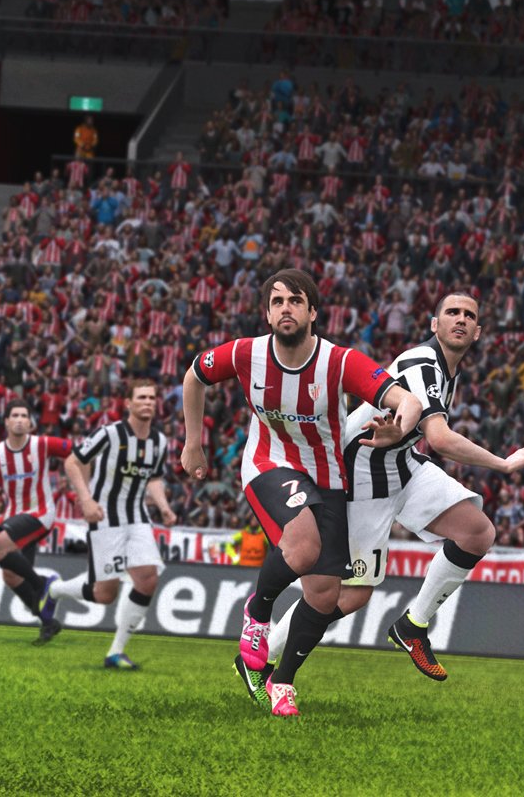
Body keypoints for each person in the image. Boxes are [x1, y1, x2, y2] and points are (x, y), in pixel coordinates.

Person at [261, 292, 524, 682]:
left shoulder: (446, 368)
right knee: (348, 594)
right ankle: (261, 658)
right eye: (452, 312)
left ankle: (413, 626)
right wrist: (503, 463)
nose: (460, 319)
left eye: (469, 315)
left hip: (401, 463)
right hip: (361, 473)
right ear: (435, 324)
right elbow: (440, 438)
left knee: (476, 532)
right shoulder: (423, 364)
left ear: (478, 332)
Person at [180, 268, 423, 718]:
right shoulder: (246, 353)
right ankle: (258, 613)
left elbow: (407, 400)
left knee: (326, 595)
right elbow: (194, 375)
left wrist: (399, 428)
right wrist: (193, 443)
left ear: (313, 312)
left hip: (327, 477)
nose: (285, 309)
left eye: (295, 301)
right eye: (277, 302)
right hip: (268, 463)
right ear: (267, 313)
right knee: (304, 545)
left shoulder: (339, 362)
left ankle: (282, 681)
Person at [48, 378, 176, 670]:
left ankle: (116, 652)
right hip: (106, 517)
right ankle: (55, 590)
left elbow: (154, 478)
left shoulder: (159, 441)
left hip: (138, 517)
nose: (147, 402)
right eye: (141, 397)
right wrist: (86, 500)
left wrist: (164, 507)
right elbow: (72, 462)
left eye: (151, 398)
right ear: (128, 403)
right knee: (105, 594)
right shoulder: (109, 433)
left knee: (148, 578)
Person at [0, 400, 71, 645]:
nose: (19, 420)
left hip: (40, 513)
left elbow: (77, 452)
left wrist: (82, 483)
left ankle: (43, 585)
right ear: (6, 421)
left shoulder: (42, 444)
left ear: (30, 422)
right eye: (14, 415)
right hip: (13, 515)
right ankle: (48, 622)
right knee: (11, 576)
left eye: (24, 415)